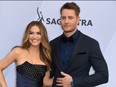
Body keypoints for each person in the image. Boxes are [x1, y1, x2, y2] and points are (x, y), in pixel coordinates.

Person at [50, 2, 108, 87]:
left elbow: (103, 75)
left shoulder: (91, 44)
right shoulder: (52, 44)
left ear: (78, 19)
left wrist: (74, 82)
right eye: (63, 18)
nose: (66, 21)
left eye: (70, 18)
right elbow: (48, 73)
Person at [0, 21, 53, 87]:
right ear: (27, 35)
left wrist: (64, 80)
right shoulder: (18, 52)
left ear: (43, 36)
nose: (34, 36)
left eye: (38, 33)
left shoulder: (46, 56)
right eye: (31, 33)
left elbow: (46, 82)